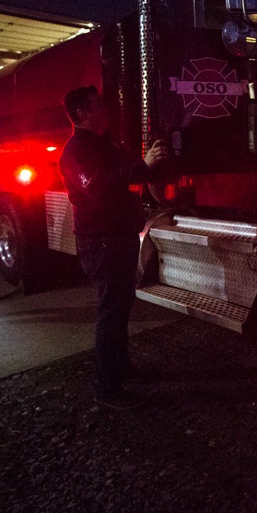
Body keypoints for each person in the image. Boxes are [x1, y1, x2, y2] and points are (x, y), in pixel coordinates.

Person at [59, 85, 167, 411]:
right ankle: (106, 389)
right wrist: (143, 166)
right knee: (111, 312)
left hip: (116, 238)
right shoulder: (76, 150)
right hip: (101, 243)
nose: (106, 110)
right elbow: (100, 186)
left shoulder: (101, 144)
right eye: (99, 105)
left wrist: (145, 165)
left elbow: (124, 170)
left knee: (120, 309)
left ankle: (122, 373)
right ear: (82, 113)